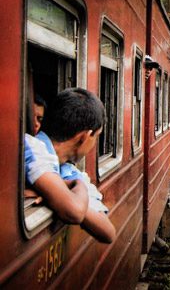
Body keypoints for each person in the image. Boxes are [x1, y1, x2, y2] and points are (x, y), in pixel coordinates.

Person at [24, 88, 116, 243]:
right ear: (84, 137)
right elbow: (74, 212)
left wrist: (57, 193)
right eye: (96, 137)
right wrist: (74, 188)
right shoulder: (32, 147)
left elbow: (108, 232)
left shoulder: (67, 170)